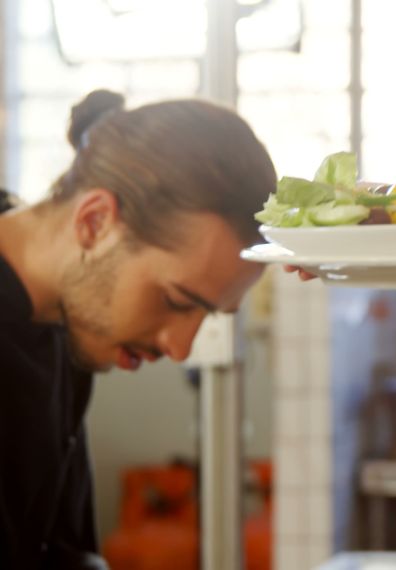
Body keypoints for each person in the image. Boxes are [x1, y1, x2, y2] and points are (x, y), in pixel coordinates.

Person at [0, 90, 275, 568]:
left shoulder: (62, 319)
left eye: (206, 315)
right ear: (95, 221)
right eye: (174, 301)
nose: (180, 346)